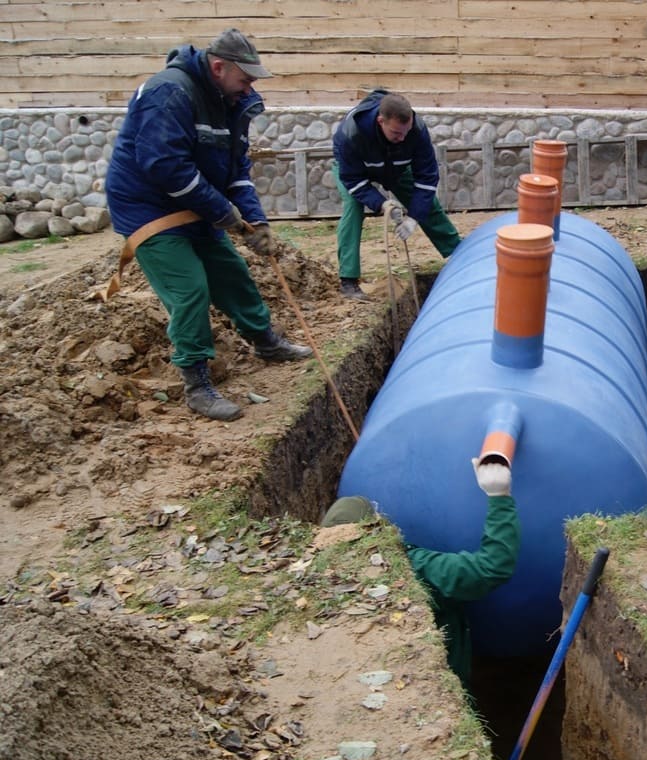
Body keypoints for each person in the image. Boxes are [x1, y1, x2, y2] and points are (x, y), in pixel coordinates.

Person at [106, 28, 313, 423]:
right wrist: (222, 212)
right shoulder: (168, 93)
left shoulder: (230, 102)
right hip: (150, 209)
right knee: (190, 289)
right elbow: (165, 167)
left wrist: (255, 220)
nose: (250, 87)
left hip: (196, 202)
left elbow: (237, 172)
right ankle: (197, 384)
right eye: (245, 78)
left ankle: (266, 343)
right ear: (218, 67)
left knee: (231, 273)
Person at [321, 457, 520, 686]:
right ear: (375, 529)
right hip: (429, 683)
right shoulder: (415, 568)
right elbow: (491, 568)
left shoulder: (319, 582)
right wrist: (499, 497)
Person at [332, 90, 462, 300]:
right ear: (380, 121)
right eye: (396, 133)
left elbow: (427, 178)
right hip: (355, 171)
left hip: (396, 168)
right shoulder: (351, 133)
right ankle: (349, 281)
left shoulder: (416, 130)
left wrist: (414, 218)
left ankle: (458, 252)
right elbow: (352, 180)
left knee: (427, 203)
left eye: (405, 132)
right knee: (353, 208)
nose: (402, 139)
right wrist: (381, 204)